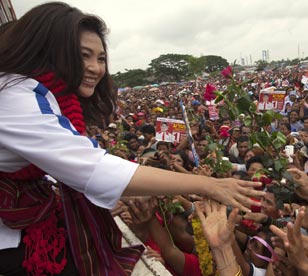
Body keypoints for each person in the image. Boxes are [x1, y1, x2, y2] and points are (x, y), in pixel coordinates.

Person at [0, 3, 264, 275]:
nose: (95, 68)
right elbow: (95, 170)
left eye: (101, 58)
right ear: (51, 50)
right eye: (83, 56)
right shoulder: (16, 97)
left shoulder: (44, 95)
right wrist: (210, 185)